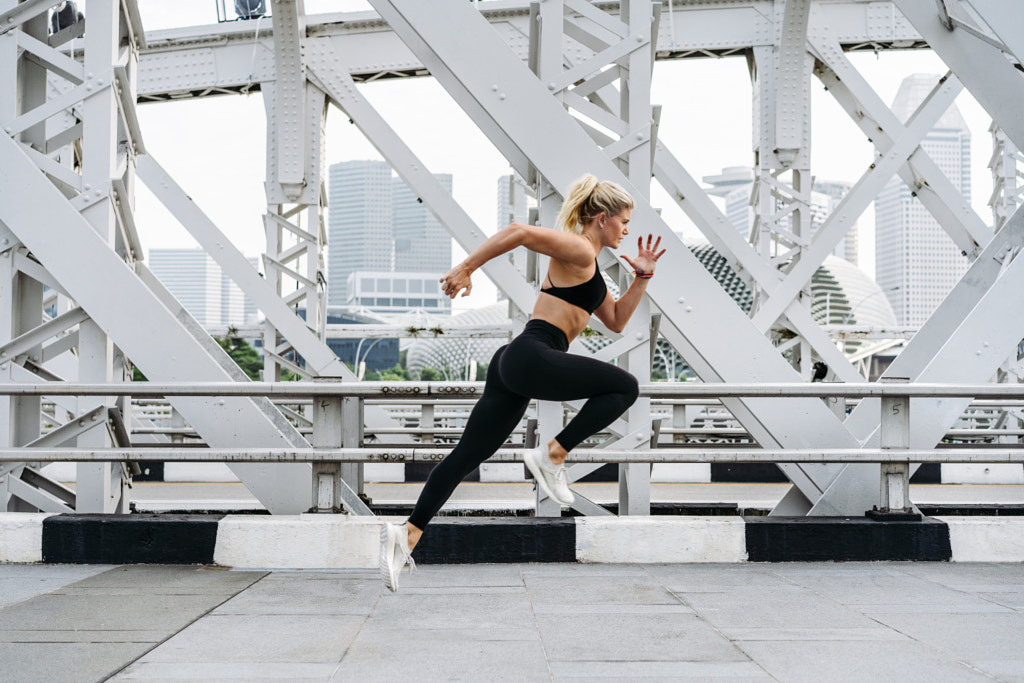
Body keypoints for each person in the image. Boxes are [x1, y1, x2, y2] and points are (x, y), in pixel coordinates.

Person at [379, 175, 665, 591]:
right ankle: (553, 455)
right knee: (624, 387)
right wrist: (465, 267)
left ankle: (407, 535)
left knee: (466, 456)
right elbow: (518, 233)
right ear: (601, 219)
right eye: (623, 221)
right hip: (532, 355)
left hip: (516, 363)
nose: (626, 230)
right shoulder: (580, 248)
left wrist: (642, 277)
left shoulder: (594, 270)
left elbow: (618, 322)